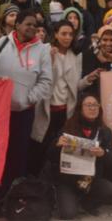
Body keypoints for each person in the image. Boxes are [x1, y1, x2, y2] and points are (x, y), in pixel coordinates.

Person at [0, 10, 52, 216]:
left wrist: (27, 99)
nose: (32, 28)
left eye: (34, 25)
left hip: (23, 113)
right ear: (16, 25)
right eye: (27, 24)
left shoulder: (42, 50)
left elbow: (46, 81)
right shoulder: (1, 44)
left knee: (17, 159)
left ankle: (11, 201)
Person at [48, 93, 112, 219]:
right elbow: (50, 156)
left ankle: (87, 204)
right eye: (88, 105)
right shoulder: (68, 127)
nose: (93, 108)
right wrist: (56, 145)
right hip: (67, 181)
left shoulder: (105, 131)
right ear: (80, 108)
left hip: (90, 180)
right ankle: (68, 199)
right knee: (68, 214)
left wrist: (103, 153)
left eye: (95, 105)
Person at [31, 22, 80, 176]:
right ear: (56, 34)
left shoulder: (75, 55)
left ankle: (55, 182)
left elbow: (75, 85)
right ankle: (36, 181)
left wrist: (88, 80)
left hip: (65, 109)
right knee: (41, 147)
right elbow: (44, 79)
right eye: (64, 34)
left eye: (71, 34)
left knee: (61, 148)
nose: (67, 38)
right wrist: (52, 62)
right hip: (46, 108)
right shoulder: (46, 50)